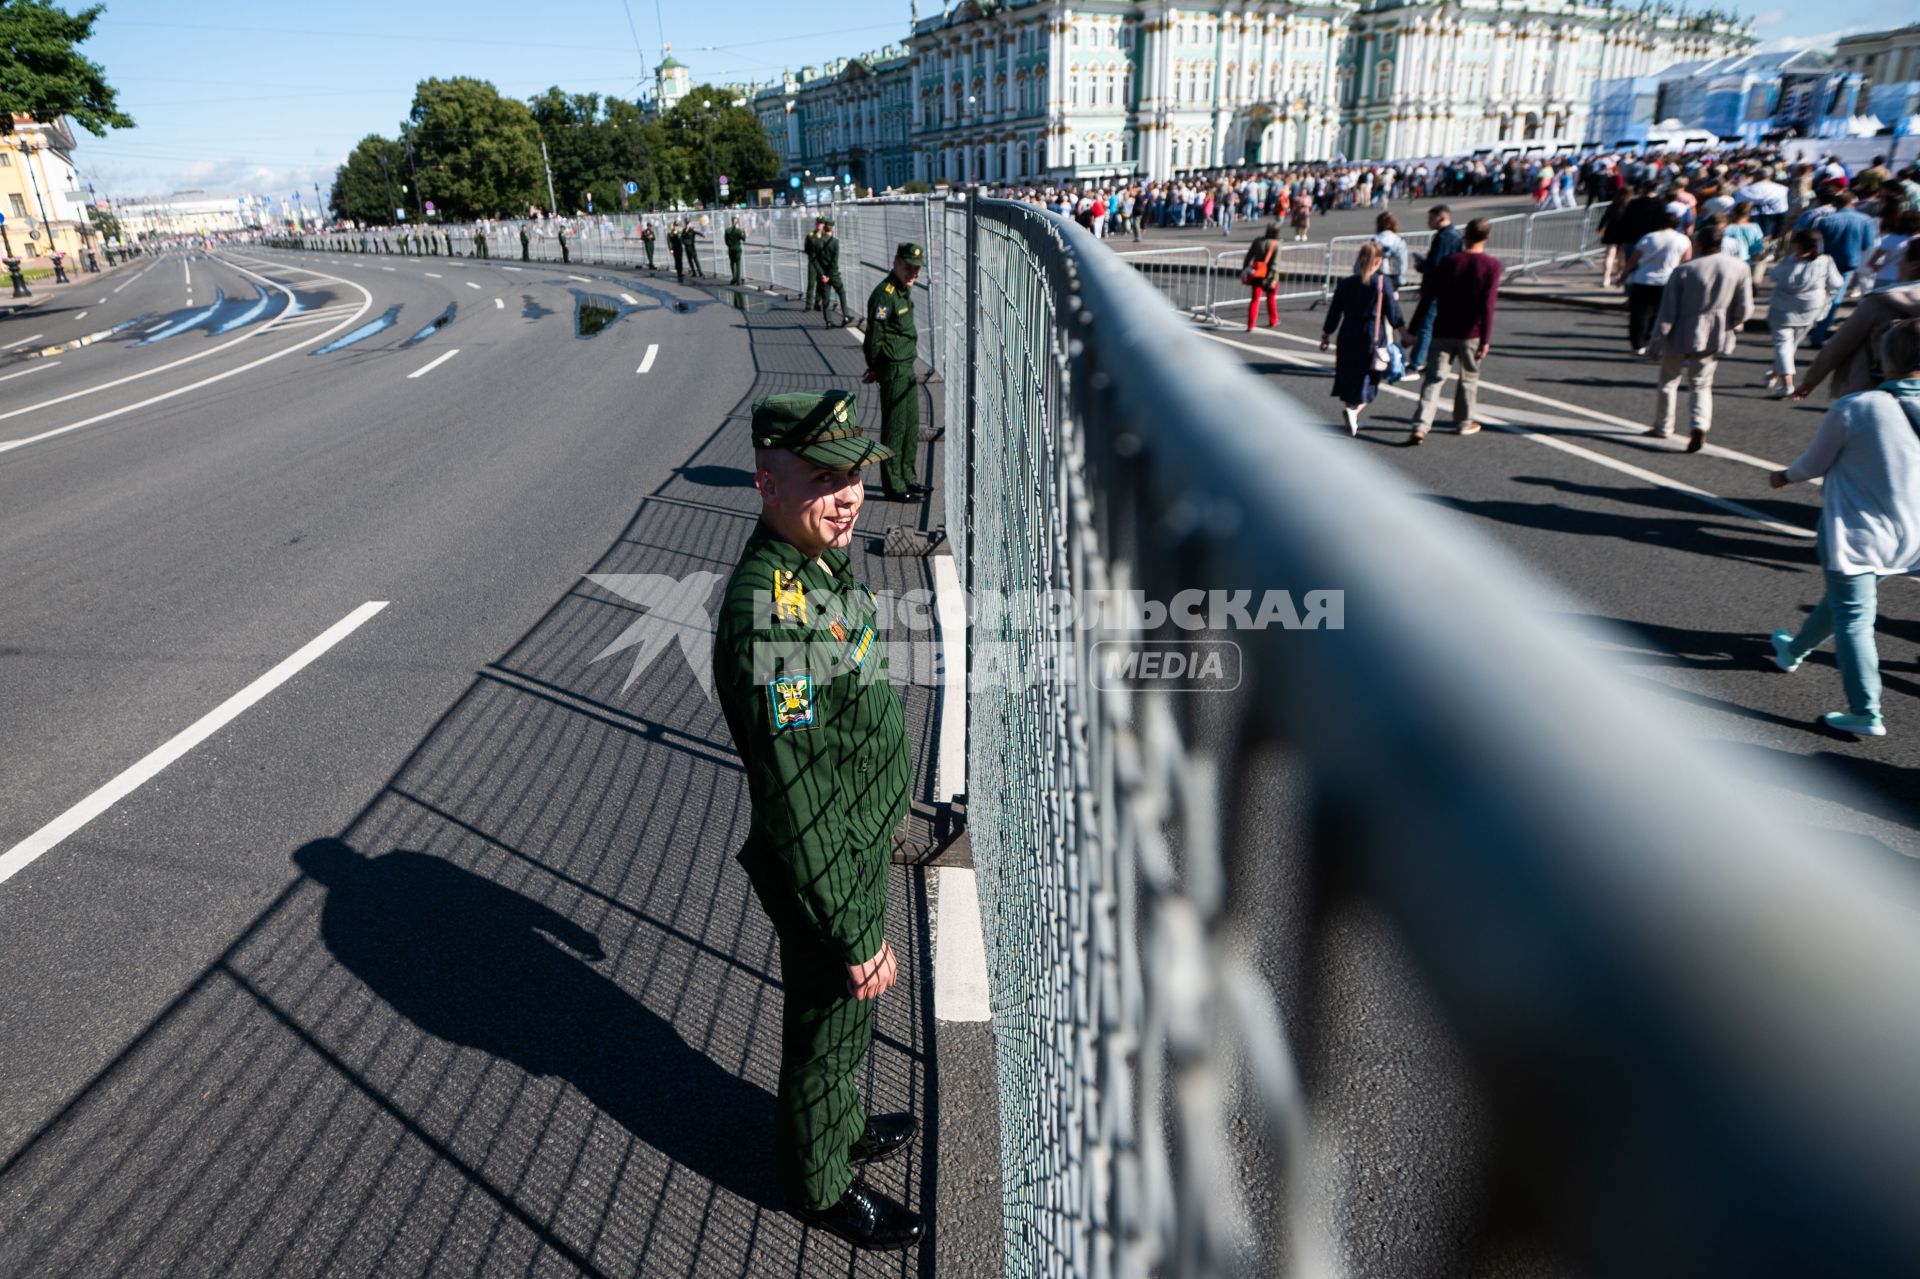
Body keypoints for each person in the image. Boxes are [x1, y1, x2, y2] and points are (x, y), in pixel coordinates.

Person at [711, 389, 924, 1250]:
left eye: (856, 476)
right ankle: (820, 1182)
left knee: (846, 1020)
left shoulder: (818, 563)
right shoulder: (775, 615)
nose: (847, 495)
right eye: (823, 478)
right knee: (829, 1019)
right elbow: (796, 801)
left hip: (856, 844)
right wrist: (852, 929)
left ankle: (838, 1126)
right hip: (824, 865)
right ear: (766, 482)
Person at [1765, 320, 1920, 738]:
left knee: (1854, 617)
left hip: (1856, 533)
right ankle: (1792, 650)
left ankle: (1866, 709)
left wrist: (1784, 476)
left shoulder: (1857, 406)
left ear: (1884, 358)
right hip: (1911, 537)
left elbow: (1814, 464)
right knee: (1844, 602)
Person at [1645, 219, 1752, 452]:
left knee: (1668, 381)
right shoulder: (1739, 267)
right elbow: (1745, 307)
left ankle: (1663, 426)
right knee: (1702, 383)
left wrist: (1655, 343)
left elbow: (1667, 312)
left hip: (1681, 331)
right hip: (1716, 330)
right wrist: (1730, 324)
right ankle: (1699, 425)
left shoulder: (1685, 270)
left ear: (1699, 244)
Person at [1408, 216, 1502, 445]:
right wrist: (1486, 338)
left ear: (1465, 236)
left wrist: (1413, 327)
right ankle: (1463, 422)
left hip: (1443, 328)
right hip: (1471, 331)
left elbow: (1429, 296)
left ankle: (1421, 425)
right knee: (1468, 378)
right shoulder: (1491, 266)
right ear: (1487, 237)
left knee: (1433, 379)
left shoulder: (1450, 262)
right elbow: (1487, 305)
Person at [1797, 239, 1920, 401]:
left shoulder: (1881, 301)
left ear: (1915, 264)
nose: (1898, 264)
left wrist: (1810, 381)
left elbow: (1838, 346)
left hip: (1869, 391)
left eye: (1903, 259)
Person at [1319, 241, 1405, 436]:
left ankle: (1352, 415)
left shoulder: (1346, 283)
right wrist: (1405, 332)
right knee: (1371, 377)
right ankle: (1353, 411)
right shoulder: (1382, 283)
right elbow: (1393, 312)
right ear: (1378, 261)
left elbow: (1334, 312)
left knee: (1349, 376)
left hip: (1347, 334)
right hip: (1371, 336)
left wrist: (1326, 333)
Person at [864, 243, 928, 501]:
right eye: (909, 267)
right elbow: (874, 337)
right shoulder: (885, 294)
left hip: (906, 366)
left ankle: (908, 477)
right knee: (895, 428)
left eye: (917, 268)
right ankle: (893, 485)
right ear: (895, 264)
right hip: (893, 368)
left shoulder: (902, 291)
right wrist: (875, 367)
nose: (914, 273)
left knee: (911, 424)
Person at [1767, 227, 1845, 399]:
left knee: (1783, 345)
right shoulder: (1825, 261)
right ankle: (1775, 373)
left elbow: (1773, 275)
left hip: (1783, 309)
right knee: (1791, 344)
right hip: (1811, 308)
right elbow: (1837, 282)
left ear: (1798, 245)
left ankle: (1786, 383)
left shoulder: (1790, 262)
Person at [1808, 190, 1879, 347]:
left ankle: (1811, 327)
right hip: (1848, 261)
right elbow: (1868, 244)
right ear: (1852, 202)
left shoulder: (1824, 220)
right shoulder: (1865, 220)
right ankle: (1818, 334)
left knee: (1819, 293)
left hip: (1824, 261)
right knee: (1834, 298)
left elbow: (1815, 242)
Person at [1622, 211, 1692, 354]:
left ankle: (1638, 343)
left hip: (1643, 279)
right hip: (1667, 280)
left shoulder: (1649, 237)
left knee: (1639, 313)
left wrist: (1623, 274)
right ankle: (1652, 341)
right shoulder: (1683, 240)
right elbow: (1687, 261)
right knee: (1660, 313)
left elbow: (1633, 259)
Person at [1407, 204, 1462, 372]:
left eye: (1431, 218)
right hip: (1445, 288)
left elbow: (1437, 266)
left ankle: (1416, 362)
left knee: (1426, 326)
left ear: (1442, 217)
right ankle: (1431, 362)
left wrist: (1422, 266)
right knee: (1433, 327)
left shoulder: (1444, 238)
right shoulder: (1451, 236)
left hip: (1437, 289)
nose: (1429, 222)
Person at [1242, 221, 1282, 331]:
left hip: (1257, 274)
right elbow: (1275, 264)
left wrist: (1245, 270)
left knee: (1255, 300)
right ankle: (1273, 320)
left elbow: (1248, 257)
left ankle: (1251, 324)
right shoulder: (1276, 244)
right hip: (1269, 276)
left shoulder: (1257, 241)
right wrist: (1273, 279)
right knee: (1271, 299)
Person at [815, 219, 849, 327]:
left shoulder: (818, 241)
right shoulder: (835, 242)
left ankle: (828, 321)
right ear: (832, 228)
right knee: (841, 292)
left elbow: (815, 261)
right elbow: (834, 261)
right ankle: (846, 315)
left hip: (823, 275)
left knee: (826, 298)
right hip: (833, 274)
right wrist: (829, 276)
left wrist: (822, 275)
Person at [1370, 210, 1407, 283]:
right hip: (1393, 280)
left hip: (1374, 279)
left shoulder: (1372, 240)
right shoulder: (1398, 241)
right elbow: (1402, 265)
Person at [726, 216, 746, 285]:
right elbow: (743, 239)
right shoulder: (739, 231)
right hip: (738, 248)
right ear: (736, 222)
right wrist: (744, 232)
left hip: (731, 249)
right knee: (738, 264)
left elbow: (726, 241)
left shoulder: (727, 230)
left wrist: (730, 246)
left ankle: (734, 278)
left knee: (732, 263)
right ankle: (738, 280)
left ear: (731, 222)